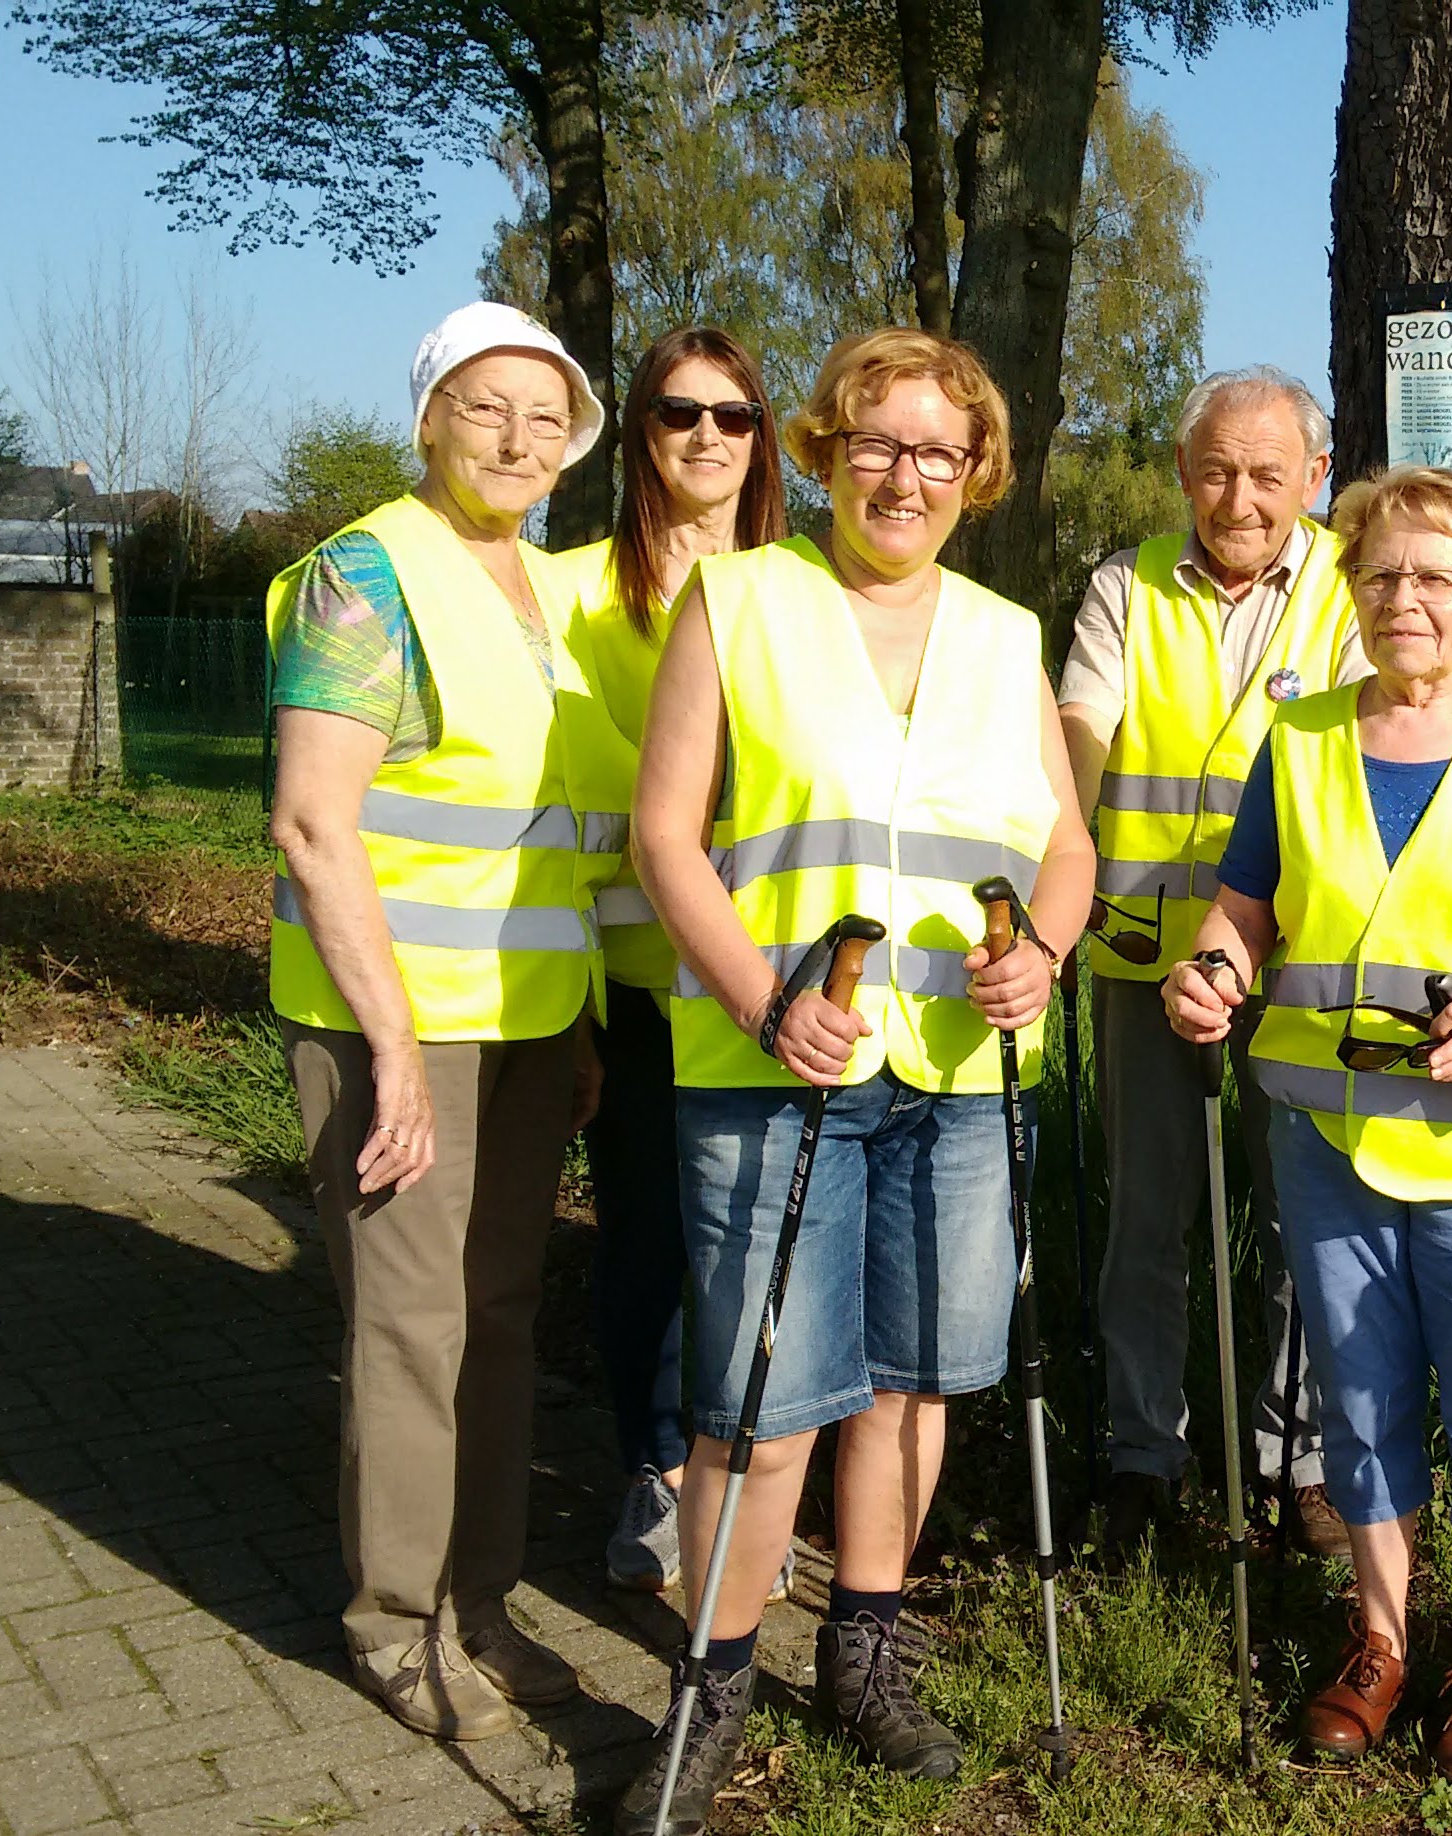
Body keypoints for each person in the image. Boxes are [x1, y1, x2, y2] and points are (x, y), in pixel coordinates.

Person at [620, 327, 1096, 1829]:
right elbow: (665, 839)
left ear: (977, 476)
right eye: (876, 443)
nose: (905, 475)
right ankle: (709, 1691)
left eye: (937, 452)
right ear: (822, 449)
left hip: (957, 1073)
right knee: (761, 1405)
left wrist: (1052, 953)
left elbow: (1063, 844)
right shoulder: (740, 600)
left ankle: (865, 1656)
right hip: (779, 1062)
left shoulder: (1005, 635)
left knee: (907, 1389)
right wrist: (763, 998)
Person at [1165, 465, 1452, 1791]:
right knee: (1357, 1400)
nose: (1402, 598)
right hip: (1325, 1132)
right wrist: (1214, 974)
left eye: (1434, 577)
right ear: (1350, 592)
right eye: (1379, 575)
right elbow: (1249, 909)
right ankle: (1377, 1635)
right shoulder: (1298, 740)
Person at [266, 301, 611, 1741]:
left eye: (548, 416)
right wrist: (393, 1053)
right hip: (394, 1030)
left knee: (500, 1319)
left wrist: (579, 1023)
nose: (519, 439)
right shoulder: (367, 576)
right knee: (411, 1327)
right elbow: (311, 819)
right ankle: (392, 1626)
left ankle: (481, 1602)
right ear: (429, 418)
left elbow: (554, 837)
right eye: (487, 408)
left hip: (529, 1027)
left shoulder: (549, 589)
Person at [1055, 365, 1366, 1559]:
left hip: (1297, 964)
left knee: (1300, 1217)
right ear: (1184, 473)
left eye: (1268, 474)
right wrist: (1061, 857)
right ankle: (1144, 1456)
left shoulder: (1351, 586)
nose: (1240, 497)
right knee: (1149, 1219)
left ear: (1312, 481)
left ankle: (1300, 1462)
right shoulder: (1124, 585)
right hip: (1142, 957)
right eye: (1218, 470)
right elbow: (1082, 732)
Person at [553, 328, 790, 1594]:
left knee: (755, 1243)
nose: (708, 436)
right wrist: (581, 1010)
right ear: (639, 434)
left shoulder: (805, 590)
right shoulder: (574, 594)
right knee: (649, 1236)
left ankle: (751, 1468)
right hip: (640, 984)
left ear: (764, 440)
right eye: (678, 414)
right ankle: (650, 1471)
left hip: (777, 986)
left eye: (736, 415)